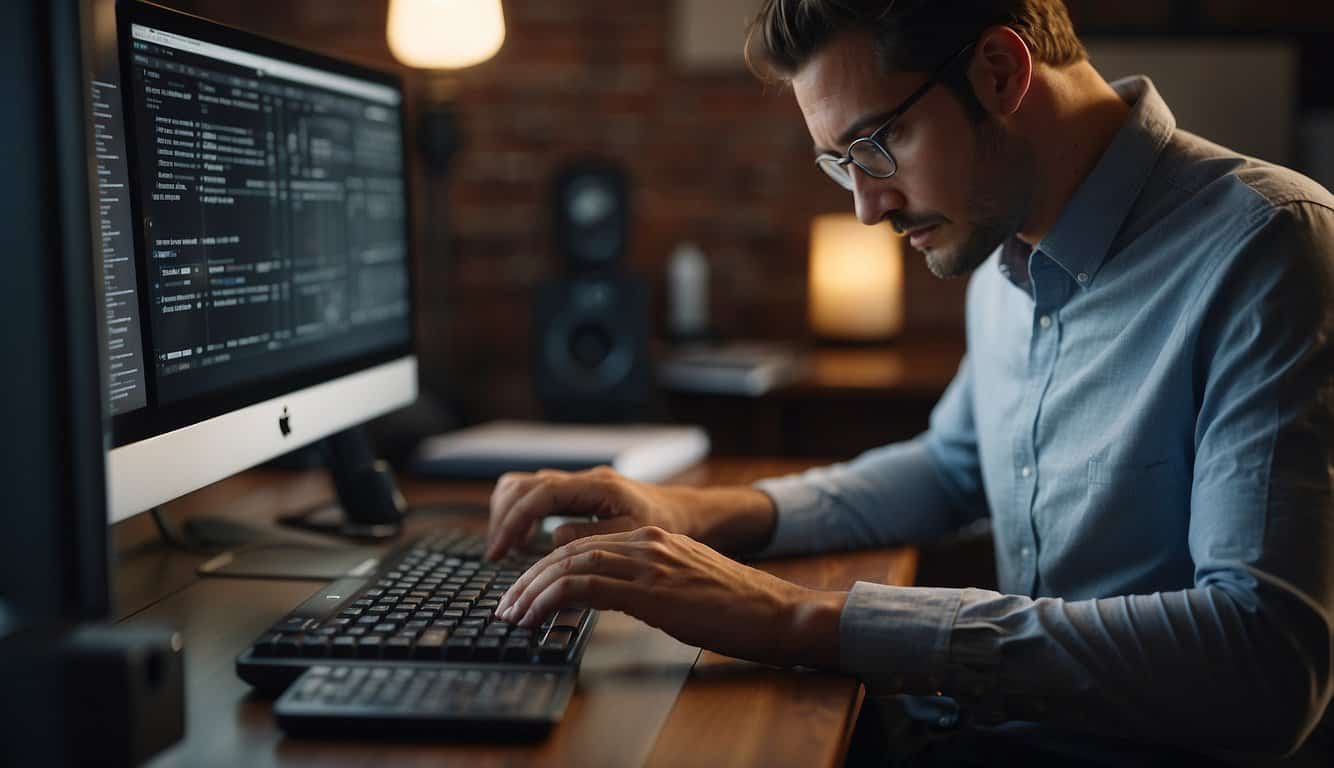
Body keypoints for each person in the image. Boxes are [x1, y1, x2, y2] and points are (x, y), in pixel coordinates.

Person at [487, 0, 1334, 762]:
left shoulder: (1270, 250)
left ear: (1000, 72)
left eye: (875, 146)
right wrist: (689, 513)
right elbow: (953, 465)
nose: (866, 206)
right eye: (839, 163)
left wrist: (798, 619)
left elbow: (1264, 665)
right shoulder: (1007, 247)